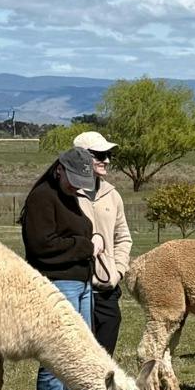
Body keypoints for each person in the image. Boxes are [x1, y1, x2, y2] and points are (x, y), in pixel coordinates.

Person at [19, 147, 107, 390]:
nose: (76, 186)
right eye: (72, 180)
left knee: (78, 359)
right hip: (57, 285)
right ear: (59, 170)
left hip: (81, 284)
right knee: (56, 362)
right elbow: (42, 246)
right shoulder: (41, 198)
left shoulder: (69, 197)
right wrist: (88, 245)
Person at [69, 130, 132, 357]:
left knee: (105, 357)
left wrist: (119, 271)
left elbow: (123, 237)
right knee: (74, 356)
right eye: (99, 154)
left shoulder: (112, 195)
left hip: (106, 288)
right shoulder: (68, 193)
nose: (106, 160)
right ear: (81, 157)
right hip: (74, 285)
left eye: (108, 154)